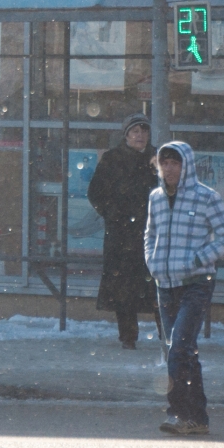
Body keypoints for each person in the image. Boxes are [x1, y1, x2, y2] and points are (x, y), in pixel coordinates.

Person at [142, 140, 224, 437]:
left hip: (196, 284)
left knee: (178, 350)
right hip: (165, 284)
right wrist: (152, 262)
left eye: (175, 163)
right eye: (165, 163)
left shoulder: (205, 197)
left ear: (186, 165)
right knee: (186, 354)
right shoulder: (156, 198)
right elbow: (149, 234)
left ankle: (179, 414)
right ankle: (198, 418)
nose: (169, 168)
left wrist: (199, 258)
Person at [87, 113, 157, 349]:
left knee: (158, 285)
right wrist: (114, 214)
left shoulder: (157, 159)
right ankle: (128, 336)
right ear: (126, 134)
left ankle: (167, 334)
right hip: (121, 234)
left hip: (152, 233)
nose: (140, 135)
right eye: (135, 131)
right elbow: (95, 192)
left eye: (144, 131)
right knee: (124, 287)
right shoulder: (112, 159)